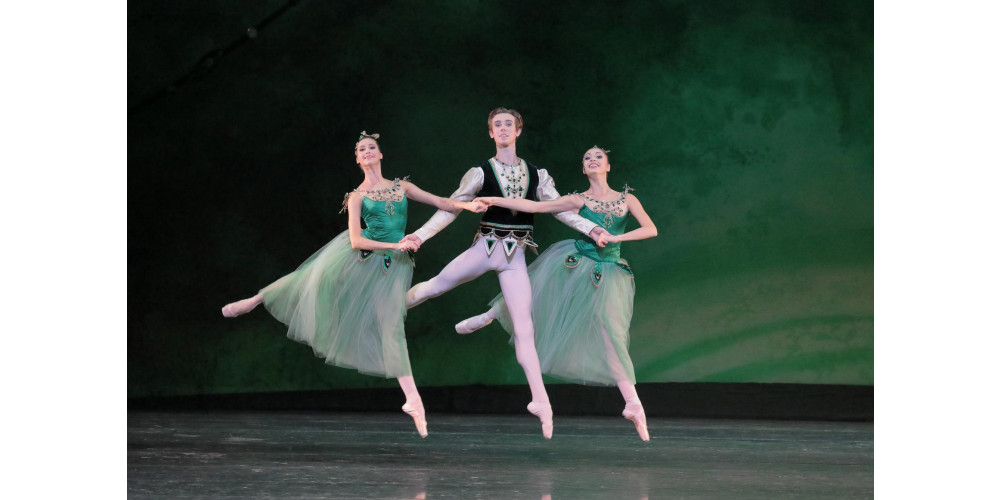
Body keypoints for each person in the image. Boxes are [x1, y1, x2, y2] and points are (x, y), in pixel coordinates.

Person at [220, 132, 486, 438]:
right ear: (357, 159)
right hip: (361, 257)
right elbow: (356, 239)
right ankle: (256, 299)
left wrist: (467, 207)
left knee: (391, 328)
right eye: (362, 149)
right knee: (311, 276)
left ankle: (413, 399)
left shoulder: (402, 186)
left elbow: (441, 202)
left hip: (393, 266)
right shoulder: (357, 196)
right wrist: (394, 246)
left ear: (381, 154)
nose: (368, 151)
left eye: (372, 147)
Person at [399, 108, 610, 439]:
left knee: (525, 327)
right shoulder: (481, 173)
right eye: (496, 125)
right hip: (484, 250)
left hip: (515, 259)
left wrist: (593, 230)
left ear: (518, 131)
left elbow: (562, 211)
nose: (502, 129)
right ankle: (390, 310)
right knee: (433, 288)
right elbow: (451, 208)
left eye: (508, 124)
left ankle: (541, 400)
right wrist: (420, 236)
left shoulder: (537, 175)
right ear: (490, 133)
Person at [466, 145, 658, 442]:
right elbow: (536, 207)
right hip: (576, 261)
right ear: (583, 169)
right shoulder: (576, 199)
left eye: (599, 157)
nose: (593, 160)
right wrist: (494, 199)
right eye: (587, 158)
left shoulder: (626, 198)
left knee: (612, 335)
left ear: (608, 166)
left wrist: (618, 237)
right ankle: (491, 313)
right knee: (539, 292)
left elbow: (650, 229)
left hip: (609, 271)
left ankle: (633, 404)